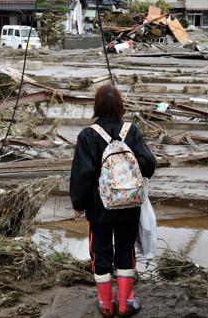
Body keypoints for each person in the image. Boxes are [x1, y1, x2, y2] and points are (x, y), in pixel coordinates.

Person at [70, 85, 156, 317]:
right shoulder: (132, 131)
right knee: (126, 250)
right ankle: (126, 302)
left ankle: (106, 305)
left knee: (100, 251)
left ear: (96, 106)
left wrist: (78, 204)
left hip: (99, 208)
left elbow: (82, 174)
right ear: (120, 105)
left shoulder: (87, 135)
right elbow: (149, 164)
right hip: (129, 204)